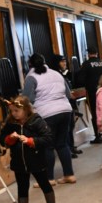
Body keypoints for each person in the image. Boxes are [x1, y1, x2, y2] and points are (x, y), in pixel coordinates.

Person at [0, 96, 57, 203]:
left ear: (25, 110)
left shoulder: (36, 121)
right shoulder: (10, 124)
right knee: (22, 187)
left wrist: (31, 141)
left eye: (16, 111)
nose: (13, 114)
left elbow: (48, 138)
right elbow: (1, 139)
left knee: (44, 183)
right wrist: (9, 139)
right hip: (19, 162)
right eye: (12, 111)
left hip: (36, 159)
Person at [23, 53, 76, 185]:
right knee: (62, 144)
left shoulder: (31, 77)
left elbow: (27, 100)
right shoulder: (56, 73)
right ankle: (69, 175)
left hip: (47, 114)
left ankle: (49, 179)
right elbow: (68, 94)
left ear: (30, 64)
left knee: (47, 146)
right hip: (65, 110)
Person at [77, 47, 102, 144]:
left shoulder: (86, 64)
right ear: (97, 53)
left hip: (93, 92)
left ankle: (98, 135)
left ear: (88, 54)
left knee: (96, 112)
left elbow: (80, 79)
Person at [51, 54, 82, 158]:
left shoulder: (64, 74)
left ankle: (72, 147)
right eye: (62, 61)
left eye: (65, 61)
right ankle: (68, 149)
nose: (64, 63)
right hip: (63, 104)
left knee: (71, 127)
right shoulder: (56, 75)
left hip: (69, 104)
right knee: (66, 129)